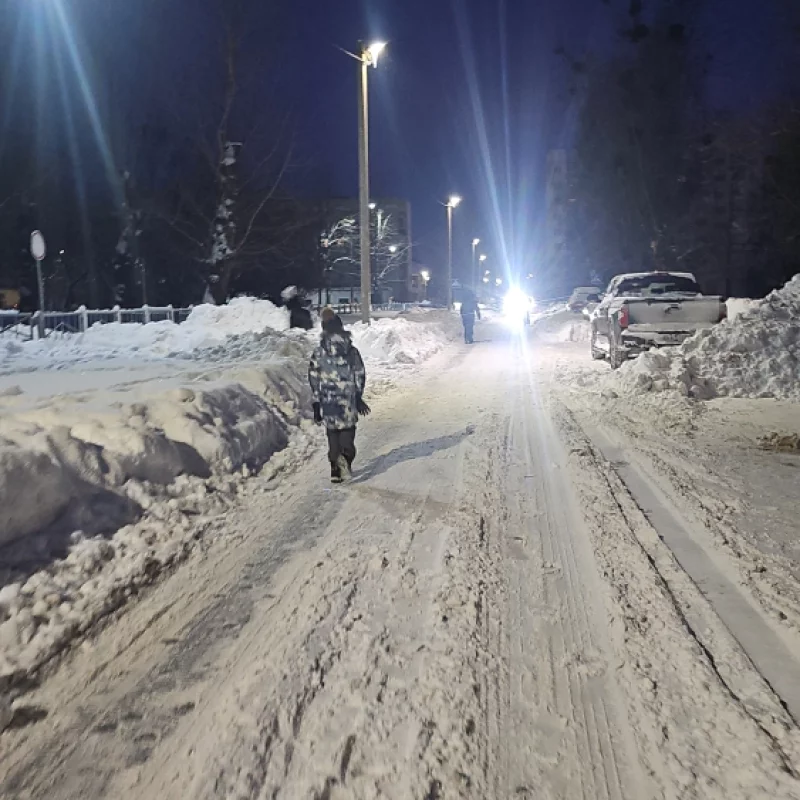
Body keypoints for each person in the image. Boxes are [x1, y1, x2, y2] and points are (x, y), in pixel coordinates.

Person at [309, 309, 371, 483]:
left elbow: (314, 377)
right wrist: (358, 397)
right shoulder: (351, 351)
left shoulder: (318, 352)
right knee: (347, 434)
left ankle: (335, 469)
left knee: (332, 434)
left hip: (328, 401)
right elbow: (360, 374)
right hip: (347, 400)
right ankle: (345, 457)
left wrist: (316, 402)